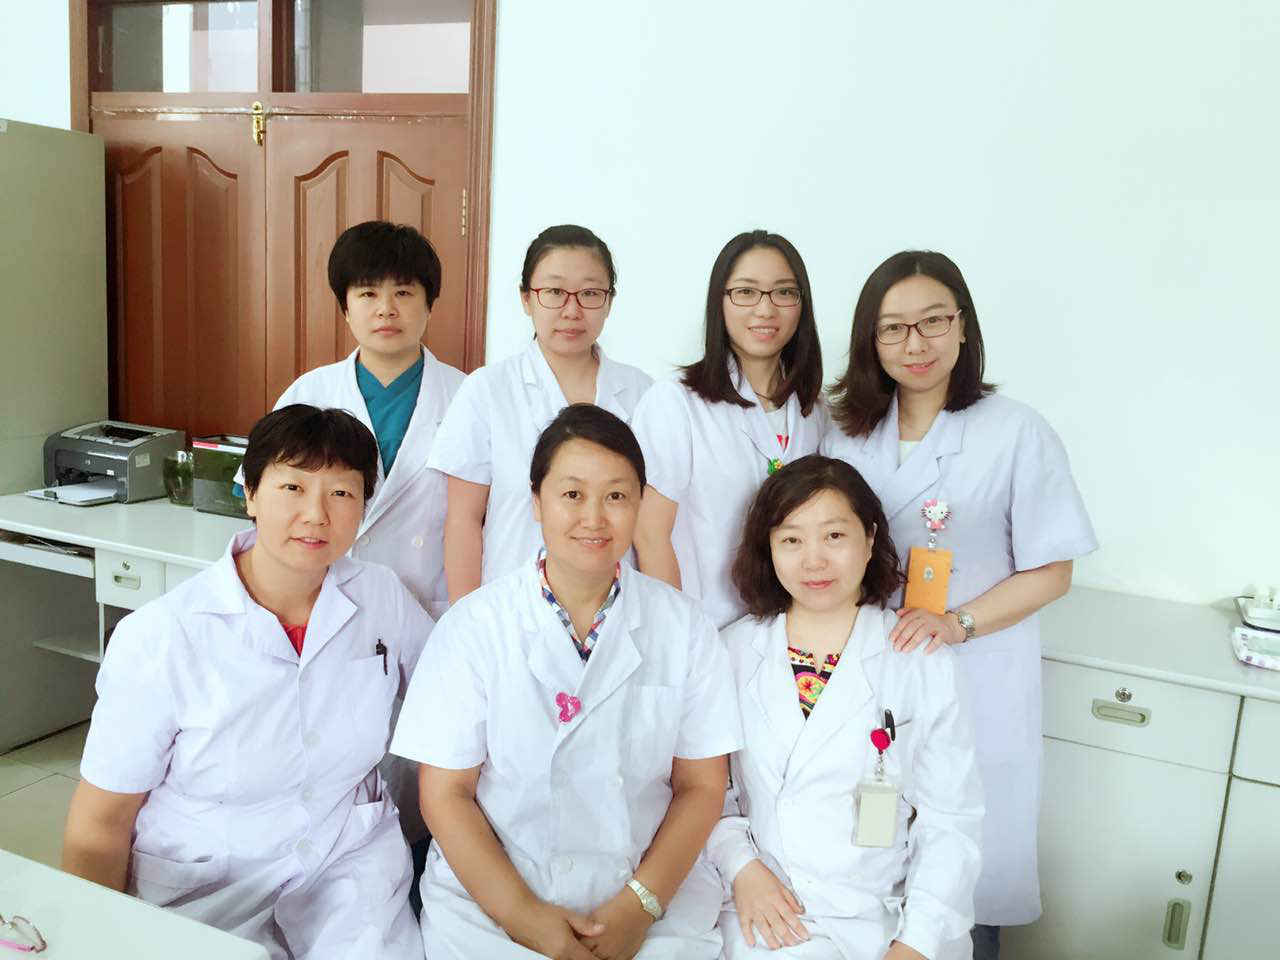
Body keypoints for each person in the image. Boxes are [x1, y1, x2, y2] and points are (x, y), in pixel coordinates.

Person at [62, 405, 433, 960]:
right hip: (206, 890)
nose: (316, 514)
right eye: (292, 487)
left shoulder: (381, 596)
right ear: (251, 494)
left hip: (348, 873)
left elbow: (453, 695)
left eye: (341, 493)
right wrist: (90, 938)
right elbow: (100, 822)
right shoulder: (162, 636)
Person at [821, 251, 1097, 959]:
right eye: (893, 328)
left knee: (962, 873)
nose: (915, 344)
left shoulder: (1016, 432)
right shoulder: (842, 427)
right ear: (871, 339)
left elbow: (1053, 571)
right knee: (863, 866)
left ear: (964, 326)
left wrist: (956, 623)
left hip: (975, 674)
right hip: (869, 672)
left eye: (933, 322)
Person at [392, 404, 743, 960]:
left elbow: (701, 787)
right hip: (494, 905)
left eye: (616, 496)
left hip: (652, 900)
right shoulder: (474, 626)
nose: (594, 518)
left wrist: (639, 907)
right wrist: (525, 917)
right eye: (572, 494)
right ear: (536, 501)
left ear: (640, 504)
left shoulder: (685, 628)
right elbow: (445, 795)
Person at [708, 455, 983, 960]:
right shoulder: (731, 652)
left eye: (834, 536)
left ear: (870, 539)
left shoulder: (919, 659)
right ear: (768, 548)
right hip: (766, 913)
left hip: (887, 919)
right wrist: (741, 867)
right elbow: (705, 793)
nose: (814, 561)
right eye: (792, 540)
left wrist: (916, 943)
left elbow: (950, 819)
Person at [237, 220, 464, 621]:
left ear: (430, 304)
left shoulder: (468, 397)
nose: (386, 309)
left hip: (430, 607)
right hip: (322, 603)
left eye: (404, 293)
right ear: (345, 307)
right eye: (367, 293)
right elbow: (262, 504)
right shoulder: (309, 393)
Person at [428, 225, 653, 600]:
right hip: (509, 605)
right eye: (554, 292)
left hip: (616, 603)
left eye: (590, 294)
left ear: (609, 302)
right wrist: (466, 618)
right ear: (526, 299)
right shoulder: (488, 389)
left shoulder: (642, 393)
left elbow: (650, 523)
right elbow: (463, 519)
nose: (572, 310)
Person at [631, 229, 828, 628]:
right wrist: (679, 635)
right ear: (719, 302)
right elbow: (649, 535)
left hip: (789, 632)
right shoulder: (675, 402)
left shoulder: (815, 410)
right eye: (746, 292)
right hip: (701, 628)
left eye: (783, 292)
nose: (765, 309)